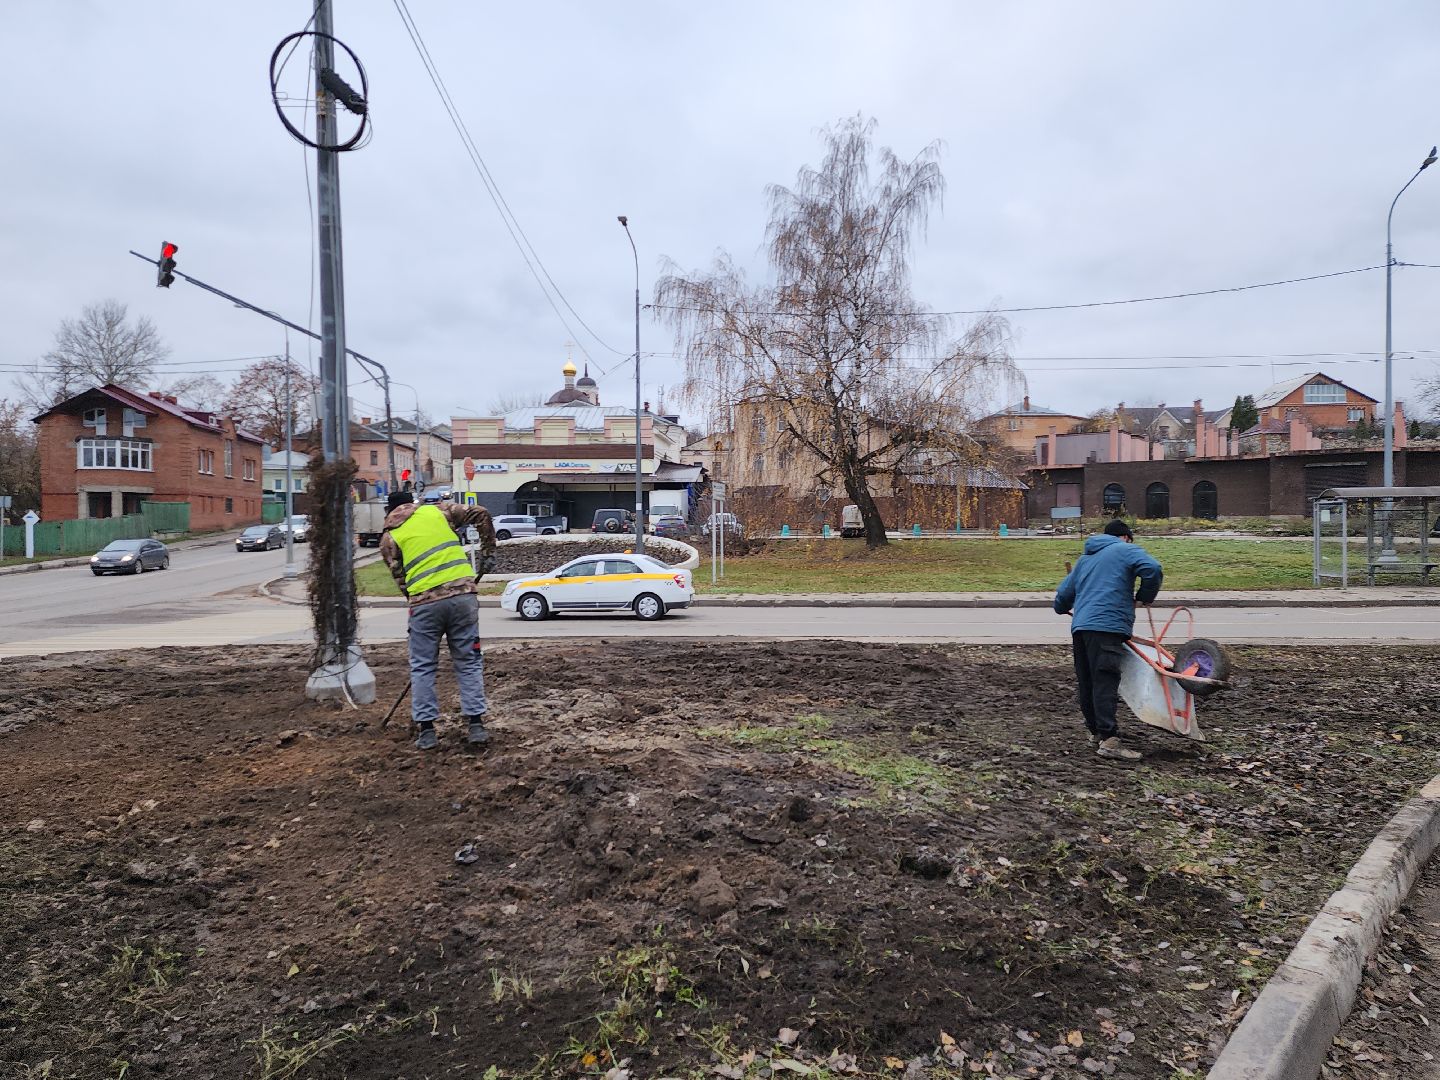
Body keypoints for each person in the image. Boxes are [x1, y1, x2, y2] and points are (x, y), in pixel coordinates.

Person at [379, 490, 497, 750]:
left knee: (422, 666)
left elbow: (401, 581)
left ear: (390, 512)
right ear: (412, 503)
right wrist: (488, 552)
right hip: (463, 598)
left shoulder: (389, 538)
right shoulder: (438, 512)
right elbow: (481, 513)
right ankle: (476, 726)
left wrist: (418, 600)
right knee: (468, 662)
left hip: (424, 605)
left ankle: (427, 731)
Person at [1053, 518, 1163, 761]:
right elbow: (1152, 569)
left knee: (1089, 681)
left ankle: (1096, 733)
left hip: (1081, 628)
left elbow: (1063, 595)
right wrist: (1144, 596)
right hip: (1108, 626)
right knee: (1105, 680)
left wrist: (1061, 608)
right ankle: (1109, 741)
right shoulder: (1125, 549)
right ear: (1126, 537)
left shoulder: (1085, 559)